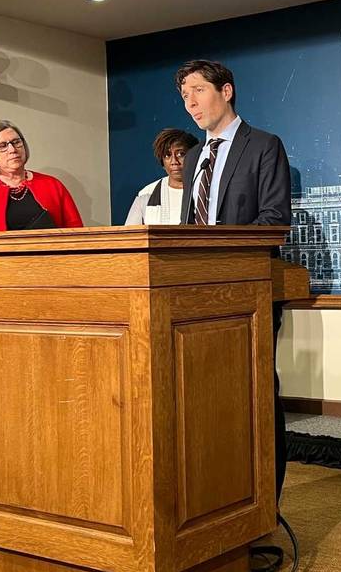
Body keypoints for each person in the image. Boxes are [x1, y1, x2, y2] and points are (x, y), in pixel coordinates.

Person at [175, 59, 292, 500]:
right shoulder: (193, 156)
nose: (190, 102)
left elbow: (274, 220)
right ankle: (223, 496)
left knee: (257, 394)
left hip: (249, 292)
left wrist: (220, 256)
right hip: (198, 296)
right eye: (184, 94)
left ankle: (266, 504)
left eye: (198, 91)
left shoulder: (263, 145)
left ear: (226, 91)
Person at [0, 120, 83, 232]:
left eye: (16, 142)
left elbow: (77, 233)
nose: (12, 149)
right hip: (0, 259)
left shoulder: (53, 185)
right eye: (2, 146)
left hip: (53, 258)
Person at [124, 128, 199, 224]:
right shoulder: (147, 194)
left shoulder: (205, 189)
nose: (174, 162)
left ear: (194, 155)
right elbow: (131, 236)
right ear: (162, 161)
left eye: (181, 154)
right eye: (167, 155)